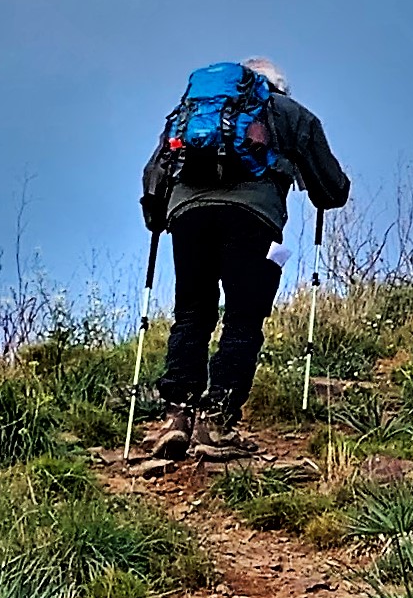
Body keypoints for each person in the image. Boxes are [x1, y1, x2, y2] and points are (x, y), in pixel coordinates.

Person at [139, 58, 349, 457]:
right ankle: (216, 421)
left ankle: (177, 417)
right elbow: (331, 190)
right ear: (278, 87)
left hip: (188, 216)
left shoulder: (191, 112)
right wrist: (330, 187)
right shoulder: (288, 112)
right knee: (243, 317)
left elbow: (155, 174)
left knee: (192, 312)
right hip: (253, 219)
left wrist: (158, 217)